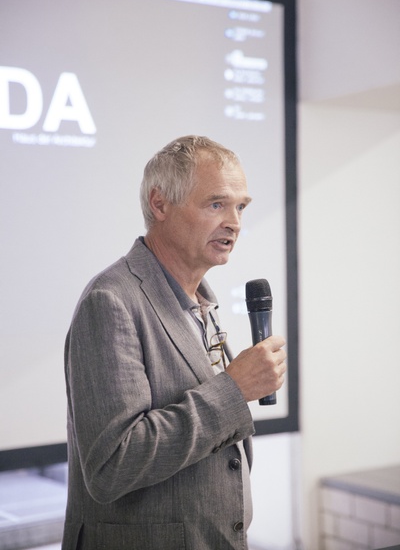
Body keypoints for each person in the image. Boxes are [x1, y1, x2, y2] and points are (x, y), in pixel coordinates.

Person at [62, 135, 286, 550]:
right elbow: (112, 464)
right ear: (160, 204)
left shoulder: (201, 301)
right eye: (216, 204)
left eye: (241, 207)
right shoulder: (110, 301)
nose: (234, 222)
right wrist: (233, 390)